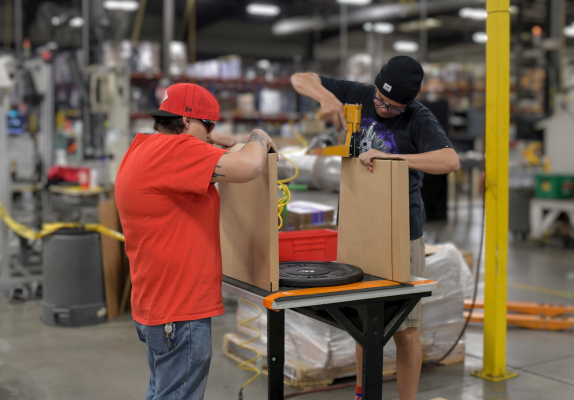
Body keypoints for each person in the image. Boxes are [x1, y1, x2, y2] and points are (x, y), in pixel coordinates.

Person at [291, 56, 460, 400]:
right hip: (359, 227)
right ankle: (361, 394)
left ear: (408, 104)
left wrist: (395, 159)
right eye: (380, 102)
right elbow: (300, 77)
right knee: (363, 325)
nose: (382, 109)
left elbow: (450, 160)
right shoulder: (360, 94)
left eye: (393, 107)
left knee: (404, 330)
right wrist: (326, 97)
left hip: (401, 232)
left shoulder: (418, 118)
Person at [114, 83, 278, 400]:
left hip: (156, 304)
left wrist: (223, 144)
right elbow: (249, 167)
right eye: (209, 126)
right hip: (180, 310)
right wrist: (258, 136)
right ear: (187, 122)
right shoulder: (177, 151)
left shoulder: (142, 148)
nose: (211, 135)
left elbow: (212, 157)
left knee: (162, 391)